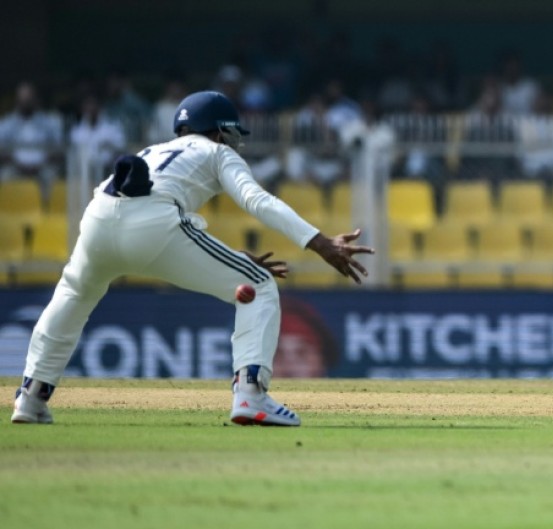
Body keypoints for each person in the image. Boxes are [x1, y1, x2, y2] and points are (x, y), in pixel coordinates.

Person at [11, 90, 374, 426]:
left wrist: (229, 257)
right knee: (259, 285)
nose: (233, 142)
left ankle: (30, 397)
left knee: (73, 296)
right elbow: (257, 201)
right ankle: (250, 395)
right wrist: (320, 243)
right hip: (155, 224)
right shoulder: (217, 152)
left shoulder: (152, 150)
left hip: (98, 219)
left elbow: (147, 211)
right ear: (218, 131)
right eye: (230, 134)